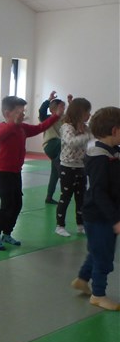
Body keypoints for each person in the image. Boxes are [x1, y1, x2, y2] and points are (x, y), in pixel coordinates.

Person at [0, 95, 64, 251]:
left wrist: (56, 116)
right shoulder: (2, 127)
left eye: (23, 111)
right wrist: (14, 122)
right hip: (3, 173)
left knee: (17, 204)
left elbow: (40, 128)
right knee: (6, 204)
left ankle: (7, 233)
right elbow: (1, 135)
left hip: (16, 172)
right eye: (18, 112)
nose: (22, 114)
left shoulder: (22, 128)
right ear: (7, 113)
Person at [71, 107, 120, 311]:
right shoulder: (100, 157)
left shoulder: (113, 151)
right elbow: (99, 193)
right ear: (115, 131)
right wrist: (115, 219)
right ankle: (98, 295)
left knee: (97, 250)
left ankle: (82, 279)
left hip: (106, 213)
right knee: (104, 257)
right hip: (100, 216)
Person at [55, 97, 92, 237]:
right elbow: (71, 142)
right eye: (87, 112)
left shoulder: (85, 128)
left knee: (81, 197)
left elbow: (92, 137)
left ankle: (80, 224)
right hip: (67, 167)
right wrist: (88, 136)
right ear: (79, 113)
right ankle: (60, 225)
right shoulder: (67, 127)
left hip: (81, 166)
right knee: (65, 197)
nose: (89, 115)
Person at [38, 91, 68, 204]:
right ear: (52, 110)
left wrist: (71, 102)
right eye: (60, 108)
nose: (63, 110)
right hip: (50, 145)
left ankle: (49, 197)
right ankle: (58, 163)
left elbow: (74, 116)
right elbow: (41, 111)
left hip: (58, 148)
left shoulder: (63, 119)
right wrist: (49, 99)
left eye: (63, 108)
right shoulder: (47, 118)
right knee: (65, 143)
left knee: (54, 174)